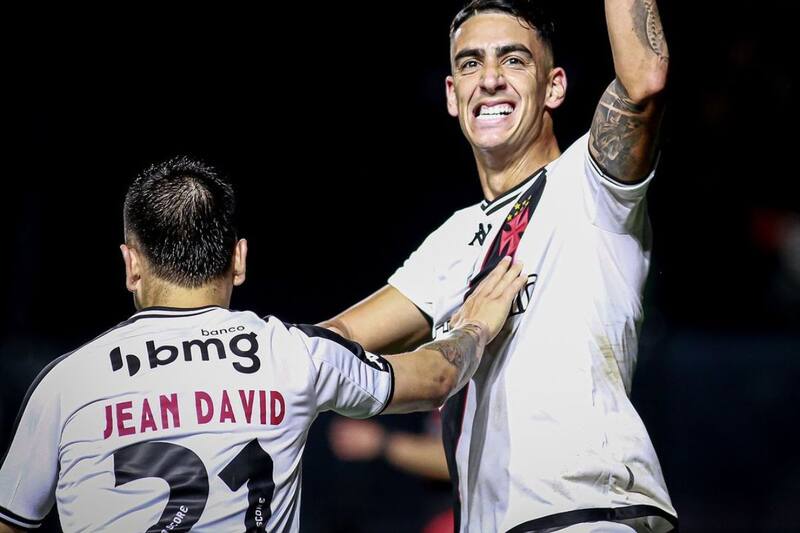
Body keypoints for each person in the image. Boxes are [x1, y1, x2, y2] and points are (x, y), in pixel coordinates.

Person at [0, 156, 526, 532]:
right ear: (240, 259)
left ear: (131, 265)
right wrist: (476, 325)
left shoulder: (66, 384)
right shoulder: (292, 352)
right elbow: (435, 376)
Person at [321, 0, 676, 531]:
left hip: (587, 514)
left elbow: (644, 80)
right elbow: (339, 336)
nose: (488, 79)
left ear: (554, 87)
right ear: (451, 94)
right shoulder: (451, 240)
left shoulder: (588, 185)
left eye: (513, 61)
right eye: (469, 64)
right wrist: (222, 353)